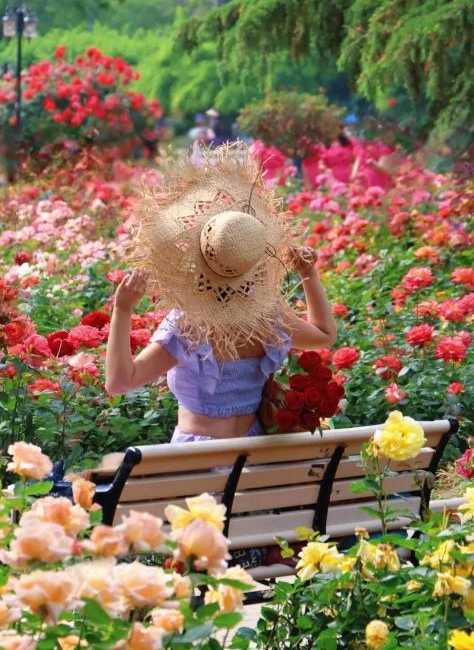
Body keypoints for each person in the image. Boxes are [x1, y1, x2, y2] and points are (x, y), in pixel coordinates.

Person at [105, 143, 337, 442]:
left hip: (199, 460)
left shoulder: (188, 328)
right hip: (254, 456)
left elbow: (120, 383)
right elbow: (325, 335)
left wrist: (122, 309)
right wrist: (308, 274)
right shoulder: (268, 319)